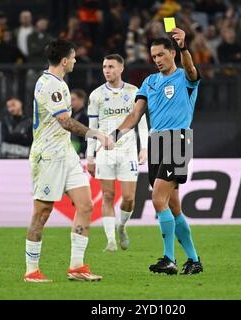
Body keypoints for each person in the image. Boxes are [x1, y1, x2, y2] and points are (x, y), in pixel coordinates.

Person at [108, 29, 203, 275]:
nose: (157, 59)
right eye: (154, 56)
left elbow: (192, 70)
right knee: (173, 208)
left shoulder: (185, 77)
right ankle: (193, 260)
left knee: (158, 200)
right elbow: (134, 115)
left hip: (177, 141)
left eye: (161, 54)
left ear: (172, 53)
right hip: (156, 145)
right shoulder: (149, 82)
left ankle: (169, 258)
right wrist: (115, 136)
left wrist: (185, 47)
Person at [24, 39, 113, 283]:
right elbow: (65, 121)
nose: (75, 61)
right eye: (73, 57)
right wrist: (96, 135)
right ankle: (31, 270)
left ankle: (77, 266)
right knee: (42, 212)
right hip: (48, 155)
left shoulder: (60, 83)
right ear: (64, 61)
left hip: (66, 154)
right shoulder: (47, 85)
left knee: (85, 205)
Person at [87, 54, 148, 252]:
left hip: (128, 151)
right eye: (104, 66)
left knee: (129, 198)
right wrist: (90, 156)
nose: (107, 70)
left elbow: (141, 121)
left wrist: (144, 147)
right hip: (104, 151)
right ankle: (110, 240)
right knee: (107, 195)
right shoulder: (96, 95)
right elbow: (91, 127)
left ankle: (121, 227)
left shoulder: (133, 92)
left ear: (121, 68)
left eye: (111, 66)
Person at [70, 89, 89, 158]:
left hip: (80, 150)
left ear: (81, 99)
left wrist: (82, 151)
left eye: (73, 99)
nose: (70, 102)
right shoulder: (71, 114)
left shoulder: (86, 115)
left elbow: (87, 136)